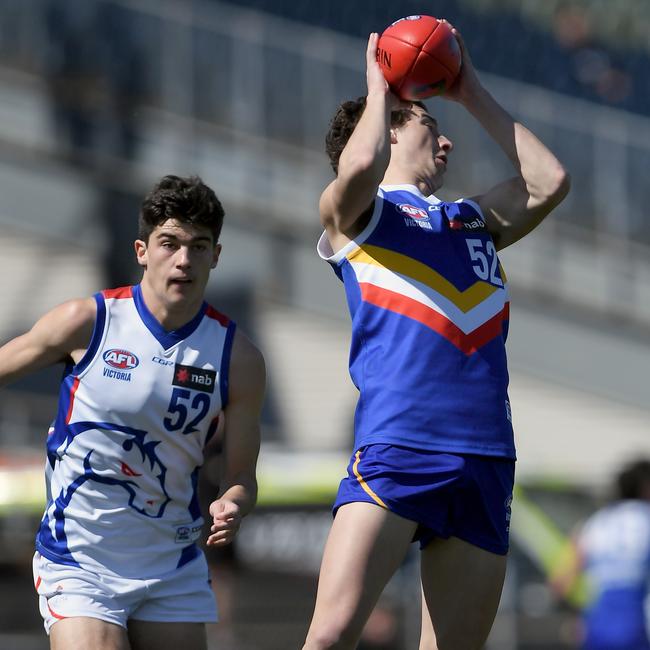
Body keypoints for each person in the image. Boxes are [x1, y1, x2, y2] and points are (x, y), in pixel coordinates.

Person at [303, 21, 570, 650]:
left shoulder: (472, 220)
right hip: (401, 445)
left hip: (485, 455)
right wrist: (380, 87)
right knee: (332, 633)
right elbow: (362, 162)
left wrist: (469, 89)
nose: (447, 140)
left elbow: (549, 181)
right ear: (391, 124)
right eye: (430, 126)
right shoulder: (358, 216)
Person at [0, 174, 265, 650]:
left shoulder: (238, 358)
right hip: (81, 561)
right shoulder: (88, 321)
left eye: (199, 246)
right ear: (142, 250)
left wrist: (234, 504)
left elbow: (241, 475)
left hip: (172, 564)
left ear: (216, 256)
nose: (184, 260)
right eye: (170, 243)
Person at [552, 459, 650, 650]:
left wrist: (581, 614)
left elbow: (559, 585)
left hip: (597, 630)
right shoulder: (646, 519)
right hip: (638, 630)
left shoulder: (593, 524)